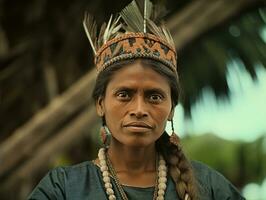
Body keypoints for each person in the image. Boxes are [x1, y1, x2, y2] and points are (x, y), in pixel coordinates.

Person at [28, 0, 245, 199]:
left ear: (171, 109)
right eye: (124, 95)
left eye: (154, 96)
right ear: (100, 104)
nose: (139, 109)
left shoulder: (209, 186)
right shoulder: (63, 187)